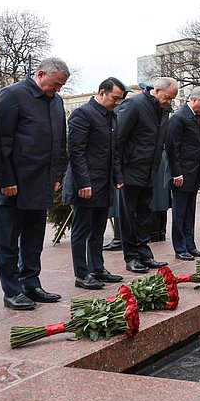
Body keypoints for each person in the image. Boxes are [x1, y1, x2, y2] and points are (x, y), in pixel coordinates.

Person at [0, 57, 69, 310]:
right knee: (8, 239)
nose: (57, 89)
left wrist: (57, 175)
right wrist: (6, 178)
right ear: (40, 74)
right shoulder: (12, 95)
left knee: (34, 238)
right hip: (14, 183)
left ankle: (31, 282)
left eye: (61, 85)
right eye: (55, 83)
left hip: (43, 182)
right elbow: (1, 141)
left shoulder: (56, 101)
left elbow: (60, 141)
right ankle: (12, 289)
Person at [62, 77, 127, 290]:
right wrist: (83, 182)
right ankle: (82, 274)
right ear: (102, 93)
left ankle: (97, 268)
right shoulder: (83, 114)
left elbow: (114, 151)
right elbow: (76, 150)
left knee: (98, 229)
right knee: (82, 229)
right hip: (87, 183)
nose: (117, 103)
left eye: (120, 99)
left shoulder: (112, 116)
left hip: (104, 182)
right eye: (114, 98)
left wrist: (117, 178)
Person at [116, 77, 175, 273]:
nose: (169, 102)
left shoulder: (163, 109)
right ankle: (131, 256)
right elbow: (119, 139)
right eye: (167, 97)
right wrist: (118, 171)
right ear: (156, 90)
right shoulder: (133, 104)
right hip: (131, 169)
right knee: (128, 215)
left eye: (172, 99)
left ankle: (144, 253)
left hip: (150, 169)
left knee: (144, 214)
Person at [167, 86, 200, 261]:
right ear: (193, 100)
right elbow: (172, 148)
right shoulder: (179, 117)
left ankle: (190, 244)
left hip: (194, 171)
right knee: (179, 212)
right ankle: (180, 247)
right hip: (182, 173)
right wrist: (176, 173)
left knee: (190, 211)